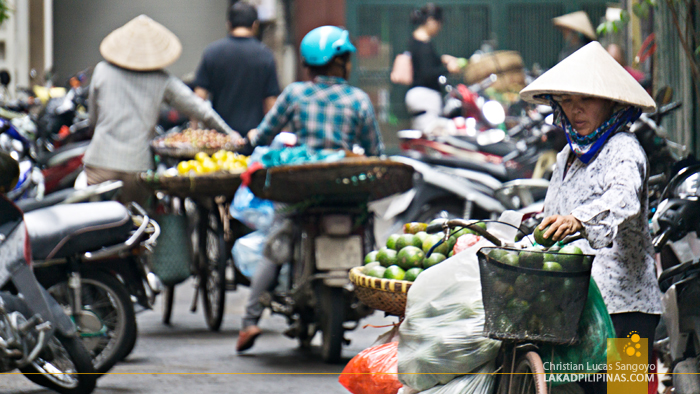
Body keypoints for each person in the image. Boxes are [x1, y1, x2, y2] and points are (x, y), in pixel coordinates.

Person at [520, 41, 662, 394]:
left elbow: (622, 199)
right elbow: (553, 215)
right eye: (567, 100)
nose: (576, 110)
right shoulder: (567, 155)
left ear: (611, 103)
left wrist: (580, 220)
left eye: (587, 100)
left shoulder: (624, 150)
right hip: (578, 309)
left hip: (627, 310)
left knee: (624, 393)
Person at [236, 25, 384, 352]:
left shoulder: (295, 95)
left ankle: (249, 322)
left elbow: (263, 134)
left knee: (276, 243)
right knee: (368, 229)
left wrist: (248, 142)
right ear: (340, 62)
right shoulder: (358, 99)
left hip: (302, 192)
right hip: (345, 193)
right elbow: (375, 152)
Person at [84, 15, 239, 206]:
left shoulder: (102, 71)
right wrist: (230, 134)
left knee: (95, 224)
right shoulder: (162, 80)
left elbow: (93, 118)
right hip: (136, 166)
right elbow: (200, 109)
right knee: (135, 225)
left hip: (100, 162)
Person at [193, 2, 280, 133]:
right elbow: (271, 103)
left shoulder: (212, 52)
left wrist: (194, 130)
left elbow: (198, 98)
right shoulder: (266, 56)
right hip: (253, 140)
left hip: (220, 140)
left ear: (228, 24)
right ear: (255, 25)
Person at [404, 3, 463, 131]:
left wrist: (442, 59)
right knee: (432, 138)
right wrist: (448, 69)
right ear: (431, 21)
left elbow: (424, 63)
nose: (439, 27)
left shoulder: (416, 41)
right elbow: (427, 73)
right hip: (425, 97)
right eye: (439, 23)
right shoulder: (423, 45)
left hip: (420, 97)